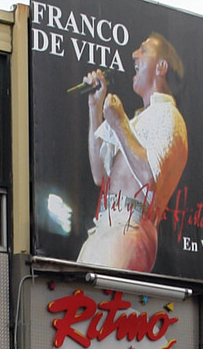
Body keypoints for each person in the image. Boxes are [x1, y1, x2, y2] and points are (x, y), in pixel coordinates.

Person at [77, 34, 190, 271]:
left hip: (130, 228)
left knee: (102, 301)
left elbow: (150, 177)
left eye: (143, 51)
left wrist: (119, 124)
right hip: (107, 227)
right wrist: (94, 109)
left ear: (161, 67)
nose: (134, 56)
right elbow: (99, 175)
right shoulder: (140, 120)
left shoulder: (169, 116)